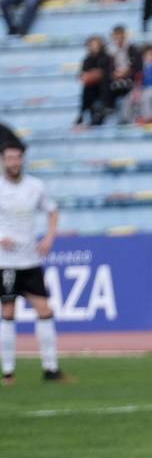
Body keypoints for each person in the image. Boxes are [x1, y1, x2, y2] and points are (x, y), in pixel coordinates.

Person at [0, 142, 64, 384]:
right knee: (8, 311)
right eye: (9, 158)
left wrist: (49, 236)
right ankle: (8, 373)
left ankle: (51, 369)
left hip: (30, 260)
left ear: (23, 159)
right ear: (3, 161)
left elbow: (53, 211)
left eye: (17, 158)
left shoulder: (35, 186)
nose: (14, 162)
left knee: (45, 309)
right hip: (6, 262)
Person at [125, 43, 152, 125]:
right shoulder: (140, 65)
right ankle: (129, 120)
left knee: (146, 97)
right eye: (149, 54)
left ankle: (149, 117)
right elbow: (136, 78)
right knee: (129, 98)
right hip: (142, 87)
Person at [76, 35, 112, 127]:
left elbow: (107, 73)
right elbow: (81, 75)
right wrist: (89, 75)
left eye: (96, 45)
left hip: (104, 86)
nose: (94, 47)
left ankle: (98, 110)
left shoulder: (106, 57)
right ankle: (83, 113)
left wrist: (96, 74)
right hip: (92, 87)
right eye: (92, 45)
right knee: (87, 88)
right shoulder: (87, 59)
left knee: (102, 86)